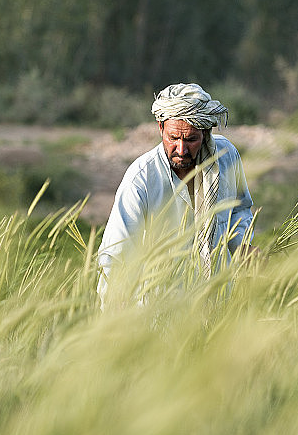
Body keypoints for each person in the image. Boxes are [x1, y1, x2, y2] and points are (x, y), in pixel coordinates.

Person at [97, 82, 255, 302]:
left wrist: (241, 245)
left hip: (217, 301)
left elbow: (240, 209)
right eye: (173, 138)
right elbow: (115, 255)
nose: (181, 149)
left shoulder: (226, 157)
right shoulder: (141, 179)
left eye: (191, 139)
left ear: (206, 133)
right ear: (160, 128)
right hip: (158, 310)